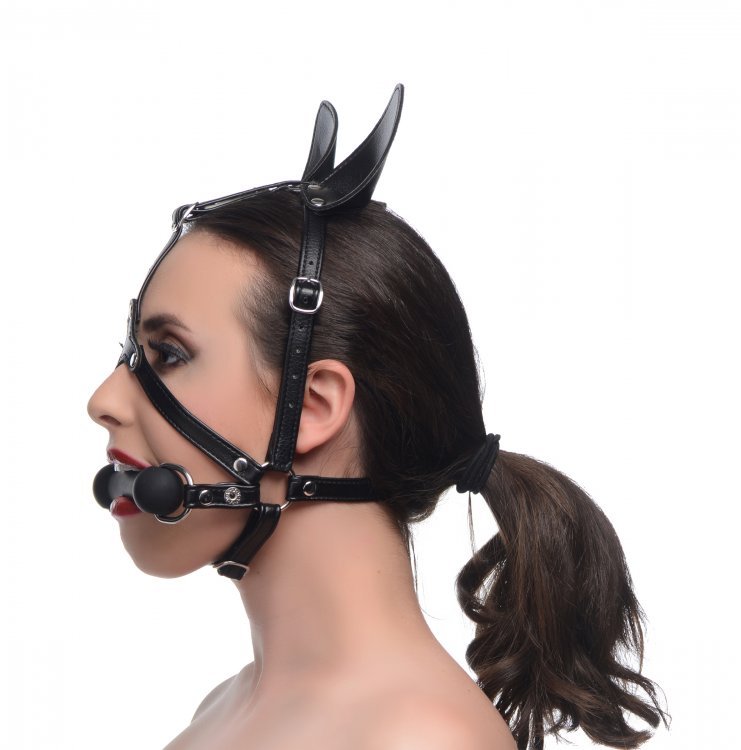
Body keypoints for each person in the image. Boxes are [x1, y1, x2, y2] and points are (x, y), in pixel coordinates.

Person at [87, 86, 666, 750]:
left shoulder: (420, 739)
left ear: (312, 405)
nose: (104, 399)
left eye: (167, 354)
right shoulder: (224, 709)